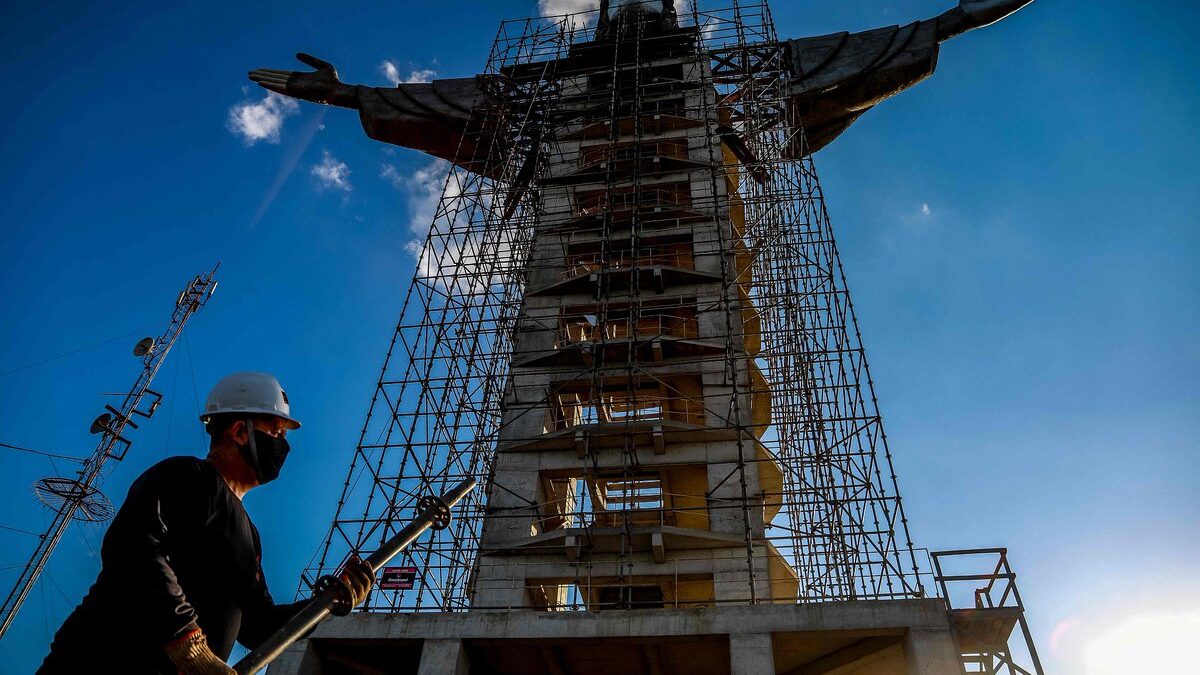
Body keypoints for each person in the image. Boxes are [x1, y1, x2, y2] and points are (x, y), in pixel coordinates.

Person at [39, 372, 374, 674]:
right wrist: (186, 642)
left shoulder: (249, 534)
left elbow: (259, 626)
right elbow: (133, 545)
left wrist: (328, 601)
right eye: (274, 431)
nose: (282, 445)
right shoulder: (188, 476)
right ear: (240, 432)